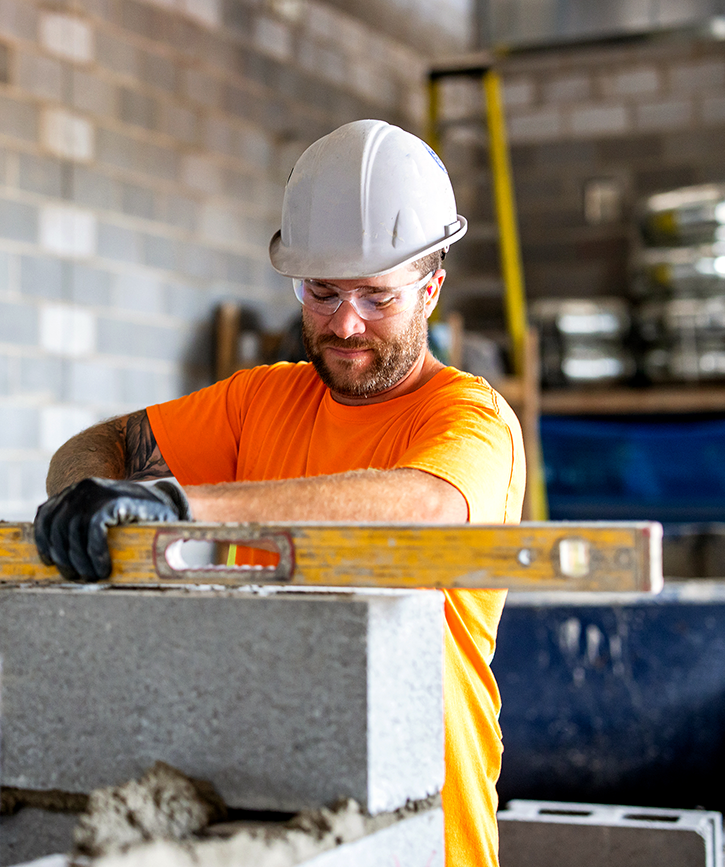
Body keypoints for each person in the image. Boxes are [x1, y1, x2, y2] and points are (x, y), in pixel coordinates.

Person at [33, 119, 525, 867]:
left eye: (376, 296)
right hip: (279, 822)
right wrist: (86, 502)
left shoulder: (469, 418)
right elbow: (99, 445)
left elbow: (427, 507)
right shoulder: (260, 400)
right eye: (321, 292)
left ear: (430, 288)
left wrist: (184, 509)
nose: (345, 323)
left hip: (428, 835)